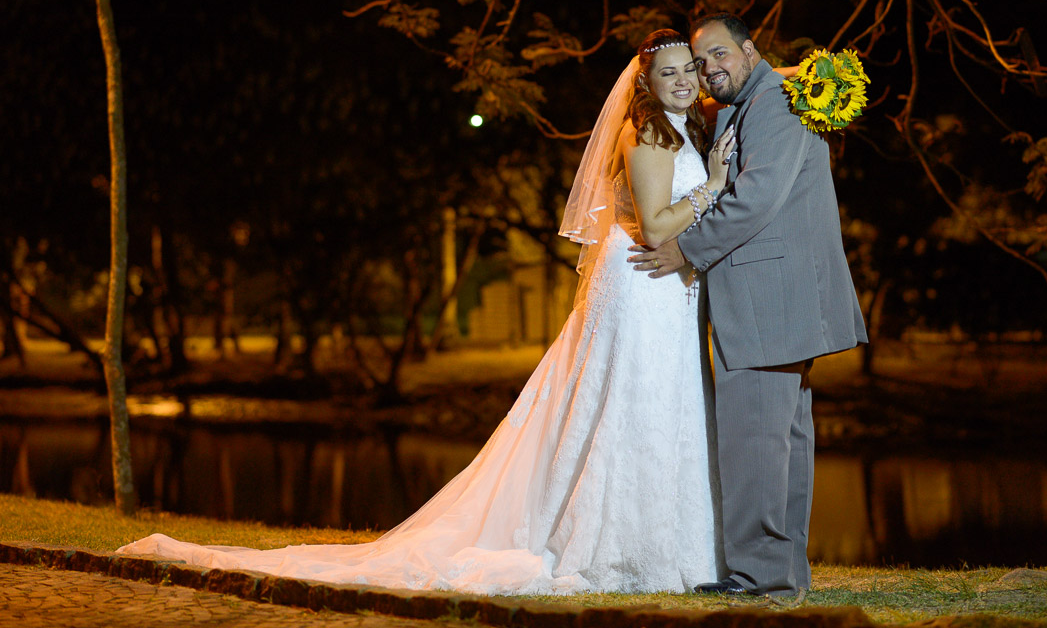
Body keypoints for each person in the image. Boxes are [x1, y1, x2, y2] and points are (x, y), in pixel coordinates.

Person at [117, 29, 736, 596]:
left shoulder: (684, 125)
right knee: (634, 406)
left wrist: (819, 79)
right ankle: (626, 551)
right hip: (642, 283)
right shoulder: (652, 134)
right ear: (644, 85)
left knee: (658, 405)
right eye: (670, 74)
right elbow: (656, 227)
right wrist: (711, 185)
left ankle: (673, 548)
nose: (684, 80)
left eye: (690, 70)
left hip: (661, 292)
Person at [629, 13, 868, 602]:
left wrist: (685, 250)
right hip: (776, 302)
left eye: (718, 55)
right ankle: (779, 577)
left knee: (757, 444)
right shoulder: (762, 97)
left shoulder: (777, 106)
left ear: (750, 49)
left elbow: (756, 198)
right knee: (780, 443)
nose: (709, 70)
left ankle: (761, 579)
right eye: (699, 62)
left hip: (767, 303)